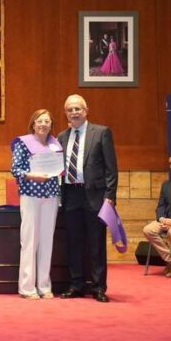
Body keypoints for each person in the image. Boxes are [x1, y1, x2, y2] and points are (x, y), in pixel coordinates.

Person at [57, 94, 117, 303]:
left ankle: (99, 287)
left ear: (86, 110)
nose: (74, 112)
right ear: (65, 113)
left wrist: (110, 196)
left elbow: (111, 168)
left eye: (78, 109)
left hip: (95, 197)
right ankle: (76, 285)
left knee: (96, 244)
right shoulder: (61, 136)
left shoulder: (101, 133)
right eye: (70, 109)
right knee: (73, 243)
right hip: (70, 195)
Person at [11, 109, 62, 299]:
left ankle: (44, 285)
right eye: (40, 121)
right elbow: (15, 169)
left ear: (51, 124)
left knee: (47, 241)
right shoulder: (23, 143)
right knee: (30, 241)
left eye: (47, 121)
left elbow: (60, 168)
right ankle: (27, 287)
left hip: (51, 195)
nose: (43, 124)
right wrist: (32, 175)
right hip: (31, 194)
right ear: (33, 123)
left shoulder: (56, 144)